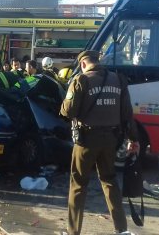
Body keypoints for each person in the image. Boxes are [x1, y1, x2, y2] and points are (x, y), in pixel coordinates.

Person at [60, 50, 139, 235]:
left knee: (78, 184)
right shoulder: (118, 80)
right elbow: (127, 114)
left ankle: (73, 232)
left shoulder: (81, 81)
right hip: (111, 140)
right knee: (110, 181)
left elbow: (67, 112)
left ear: (83, 64)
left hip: (86, 140)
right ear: (98, 60)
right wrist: (133, 139)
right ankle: (121, 230)